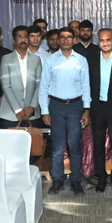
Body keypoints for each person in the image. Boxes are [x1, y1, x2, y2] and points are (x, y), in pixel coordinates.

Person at [39, 27, 91, 196]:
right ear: (58, 40)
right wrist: (45, 111)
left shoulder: (81, 60)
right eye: (62, 37)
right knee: (57, 147)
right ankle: (58, 180)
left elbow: (86, 86)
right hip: (56, 107)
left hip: (76, 107)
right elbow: (44, 87)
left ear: (74, 40)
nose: (66, 40)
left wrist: (87, 109)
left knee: (75, 146)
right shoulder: (50, 60)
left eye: (69, 37)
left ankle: (76, 180)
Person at [89, 28, 112, 192]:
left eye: (108, 40)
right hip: (97, 108)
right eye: (102, 40)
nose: (105, 43)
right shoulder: (90, 59)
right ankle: (101, 177)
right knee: (98, 144)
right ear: (98, 42)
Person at [0, 25, 42, 128]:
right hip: (10, 113)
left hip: (31, 113)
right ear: (14, 41)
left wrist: (32, 107)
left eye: (25, 37)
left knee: (32, 138)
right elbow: (6, 86)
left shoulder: (36, 59)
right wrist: (18, 110)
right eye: (19, 37)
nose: (23, 40)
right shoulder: (6, 59)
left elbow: (39, 84)